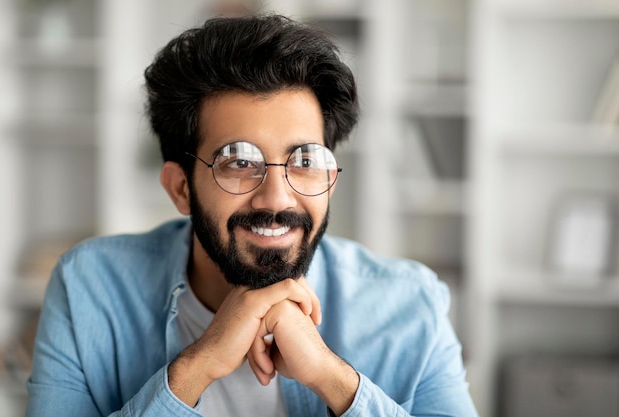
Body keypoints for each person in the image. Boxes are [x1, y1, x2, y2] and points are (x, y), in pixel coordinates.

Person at [26, 14, 478, 417]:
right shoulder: (88, 287)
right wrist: (195, 367)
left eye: (305, 160)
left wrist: (333, 381)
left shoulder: (411, 305)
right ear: (181, 188)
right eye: (238, 161)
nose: (277, 199)